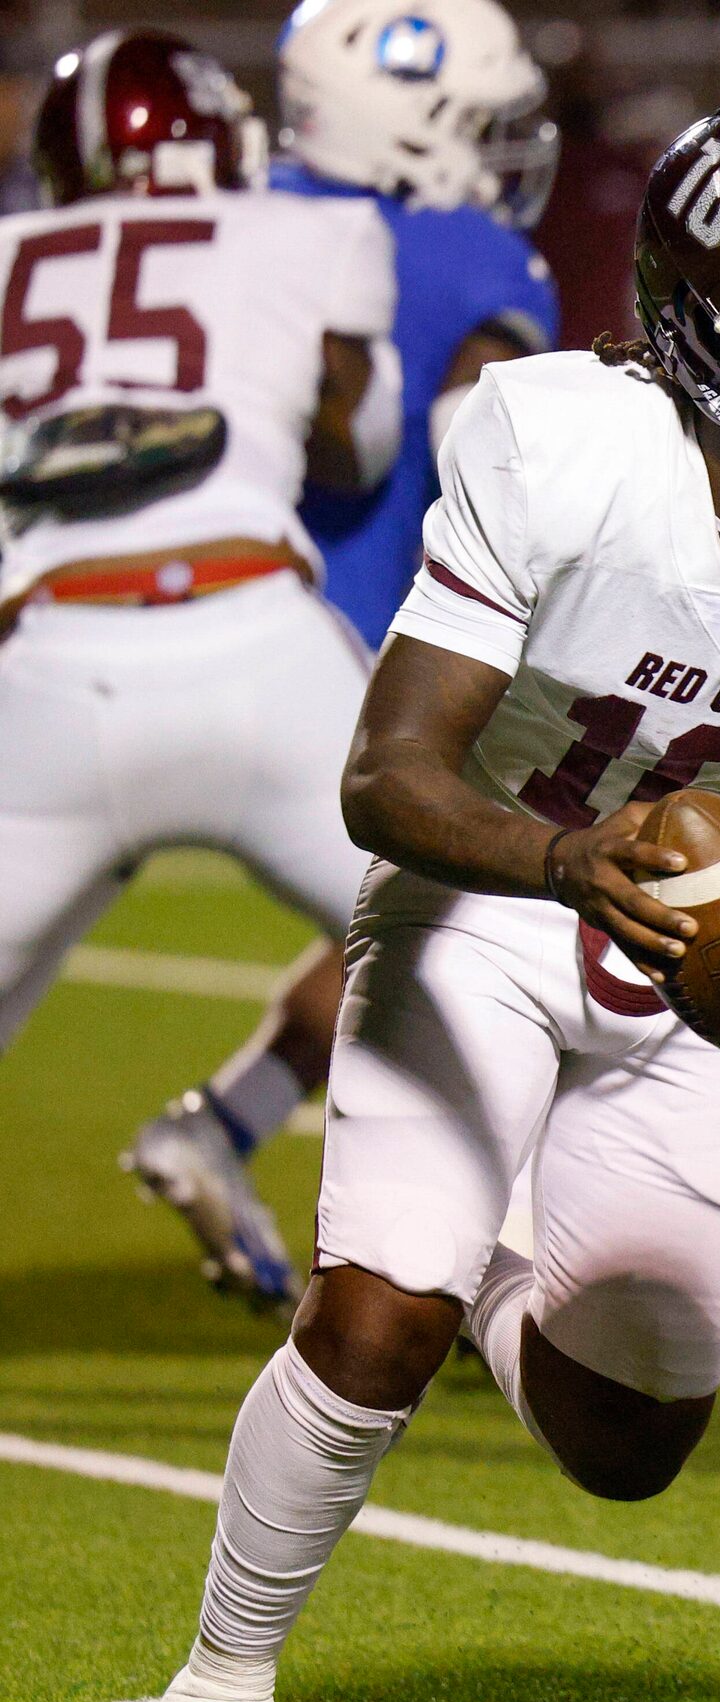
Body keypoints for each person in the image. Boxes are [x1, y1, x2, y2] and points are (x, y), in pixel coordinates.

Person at [135, 92, 720, 1702]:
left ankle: (484, 1268)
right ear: (711, 336)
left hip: (701, 982)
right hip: (489, 895)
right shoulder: (559, 445)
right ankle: (218, 1681)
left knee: (630, 1450)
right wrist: (564, 856)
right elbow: (385, 774)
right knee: (376, 1317)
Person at [120, 0, 559, 1311]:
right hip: (345, 657)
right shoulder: (463, 247)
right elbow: (496, 468)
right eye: (478, 117)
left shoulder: (220, 215)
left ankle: (222, 1119)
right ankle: (512, 1271)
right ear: (405, 107)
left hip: (116, 636)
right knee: (509, 932)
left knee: (401, 932)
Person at [0, 34, 397, 1187]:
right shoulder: (313, 231)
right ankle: (512, 1283)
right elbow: (355, 447)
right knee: (492, 963)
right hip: (260, 648)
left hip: (49, 668)